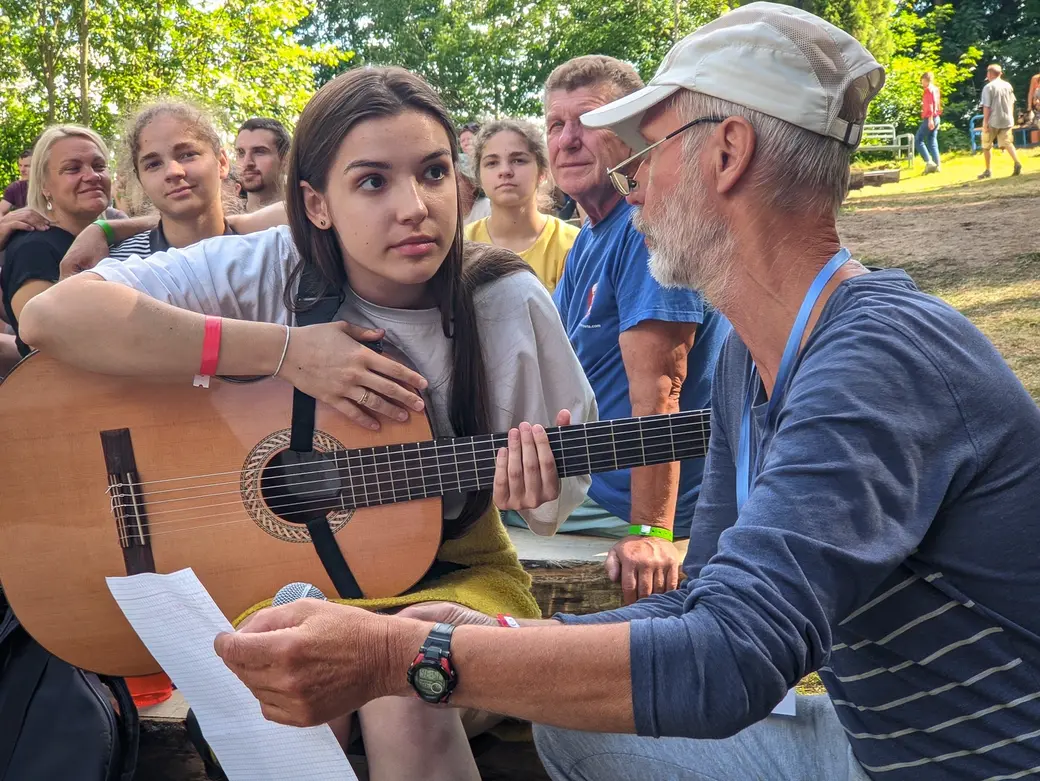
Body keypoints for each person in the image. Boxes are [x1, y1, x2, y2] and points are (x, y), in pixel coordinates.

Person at [202, 6, 1040, 781]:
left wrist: (405, 655)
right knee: (579, 727)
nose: (624, 182)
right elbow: (699, 600)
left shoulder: (879, 354)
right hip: (875, 744)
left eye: (643, 150)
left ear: (727, 152)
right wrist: (467, 632)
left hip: (980, 758)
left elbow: (727, 662)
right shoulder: (753, 361)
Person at [20, 66, 595, 781]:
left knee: (405, 672)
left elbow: (552, 504)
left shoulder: (503, 299)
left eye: (434, 172)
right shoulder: (271, 269)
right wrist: (286, 350)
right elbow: (51, 316)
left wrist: (532, 483)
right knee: (289, 672)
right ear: (317, 205)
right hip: (290, 584)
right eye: (373, 182)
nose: (415, 206)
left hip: (458, 578)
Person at [538, 53, 730, 603]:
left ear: (633, 135)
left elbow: (660, 394)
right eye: (556, 124)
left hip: (627, 505)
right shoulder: (592, 238)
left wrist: (651, 533)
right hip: (593, 478)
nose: (568, 140)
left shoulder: (646, 229)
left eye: (589, 123)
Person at [1, 125, 112, 355]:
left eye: (99, 166)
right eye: (72, 169)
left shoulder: (113, 235)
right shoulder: (34, 248)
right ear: (44, 186)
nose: (92, 176)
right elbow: (48, 345)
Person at [93, 101, 235, 261]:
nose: (173, 172)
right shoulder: (117, 268)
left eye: (188, 154)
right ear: (141, 182)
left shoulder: (262, 253)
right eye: (153, 164)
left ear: (221, 163)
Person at [465, 120, 579, 292]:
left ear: (542, 172)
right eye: (492, 163)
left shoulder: (573, 244)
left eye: (518, 160)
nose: (505, 171)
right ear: (479, 177)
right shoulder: (463, 245)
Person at [234, 117, 291, 212]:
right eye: (241, 152)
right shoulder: (222, 220)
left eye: (260, 152)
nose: (247, 162)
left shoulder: (310, 215)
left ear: (286, 159)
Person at [978, 63, 1022, 179]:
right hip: (1007, 119)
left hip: (993, 119)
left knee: (986, 144)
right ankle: (1017, 162)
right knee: (1007, 142)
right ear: (1000, 73)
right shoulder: (1008, 85)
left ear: (989, 74)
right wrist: (1011, 118)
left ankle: (988, 170)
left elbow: (986, 106)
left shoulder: (988, 87)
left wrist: (985, 123)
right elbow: (1012, 102)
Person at [915, 72, 941, 173]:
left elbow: (930, 105)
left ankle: (929, 162)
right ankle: (937, 165)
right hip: (936, 117)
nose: (922, 83)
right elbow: (937, 104)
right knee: (932, 141)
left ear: (925, 80)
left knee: (918, 139)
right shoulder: (936, 89)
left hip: (930, 118)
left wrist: (930, 119)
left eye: (922, 81)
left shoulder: (928, 90)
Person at [0, 149, 34, 215]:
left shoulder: (48, 186)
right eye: (20, 165)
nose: (22, 170)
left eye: (27, 166)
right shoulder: (15, 187)